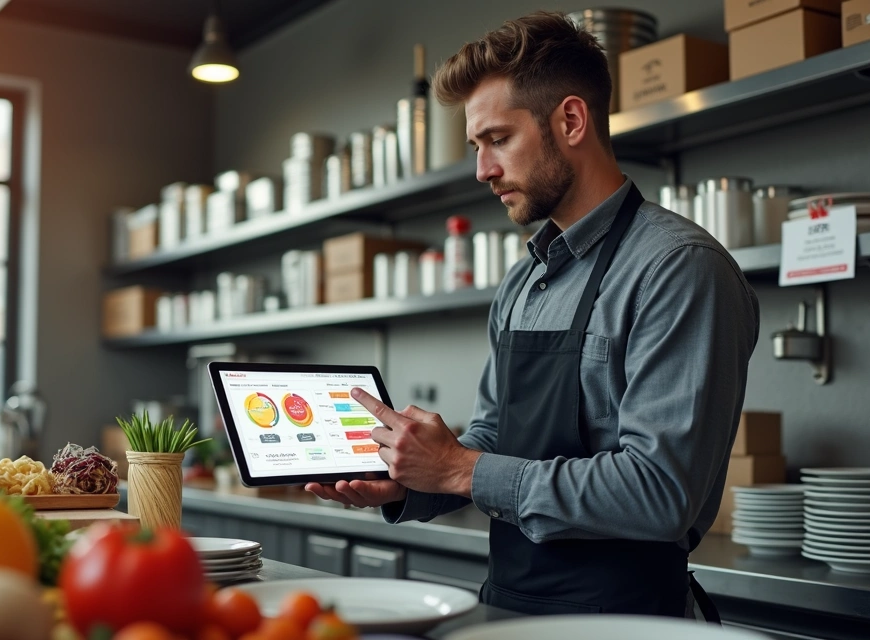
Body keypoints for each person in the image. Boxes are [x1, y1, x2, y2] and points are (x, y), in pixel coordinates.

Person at [305, 11, 760, 620]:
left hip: (628, 622)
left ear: (571, 120)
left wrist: (461, 470)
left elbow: (660, 493)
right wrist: (411, 481)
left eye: (498, 139)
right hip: (510, 609)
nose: (482, 170)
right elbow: (494, 438)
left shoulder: (678, 269)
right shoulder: (524, 281)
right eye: (477, 147)